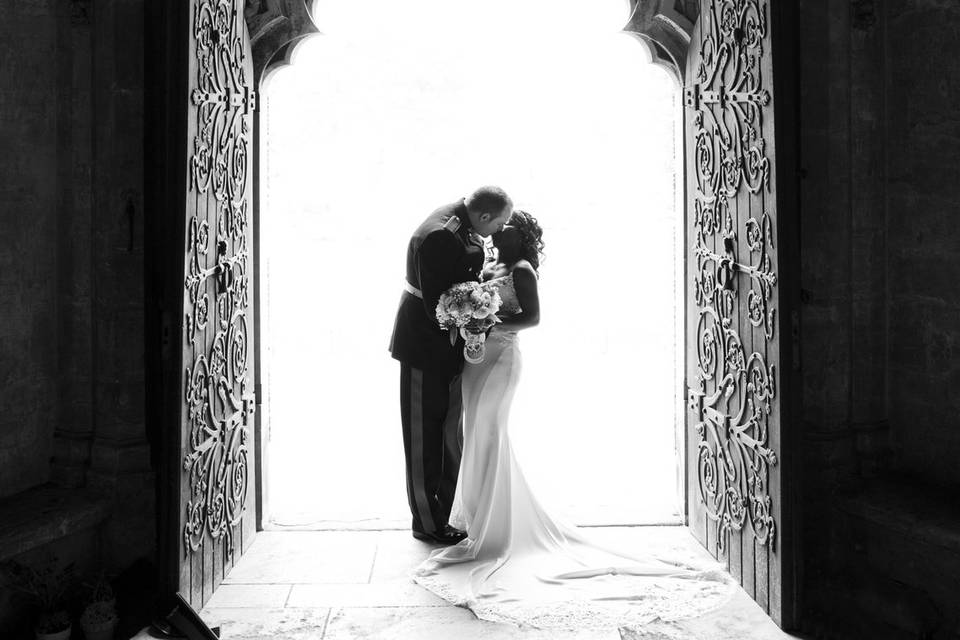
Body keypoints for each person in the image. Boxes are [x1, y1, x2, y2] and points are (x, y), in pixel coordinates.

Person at [412, 211, 734, 630]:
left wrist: (484, 319)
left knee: (491, 433)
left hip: (502, 359)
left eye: (508, 227)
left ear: (521, 236)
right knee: (476, 434)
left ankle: (498, 528)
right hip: (477, 360)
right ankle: (479, 518)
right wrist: (466, 318)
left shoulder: (523, 270)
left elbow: (531, 318)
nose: (499, 230)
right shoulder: (488, 265)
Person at [389, 186, 513, 545]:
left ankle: (447, 512)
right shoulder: (443, 235)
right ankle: (427, 522)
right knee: (424, 437)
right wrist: (478, 313)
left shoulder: (462, 224)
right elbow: (438, 305)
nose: (500, 231)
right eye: (500, 223)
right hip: (424, 345)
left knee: (446, 433)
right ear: (484, 216)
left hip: (445, 346)